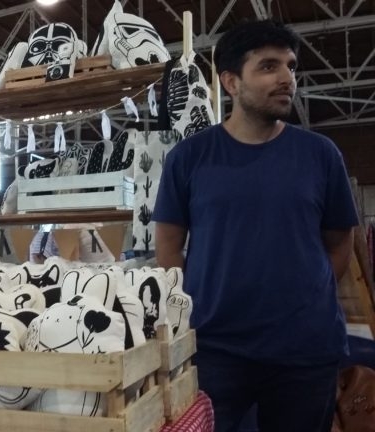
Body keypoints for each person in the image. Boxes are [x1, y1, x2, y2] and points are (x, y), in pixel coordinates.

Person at [153, 20, 358, 432]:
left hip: (305, 350)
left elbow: (340, 243)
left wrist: (305, 297)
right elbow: (169, 246)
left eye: (291, 66)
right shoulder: (189, 158)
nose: (287, 78)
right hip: (215, 347)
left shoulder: (321, 155)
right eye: (268, 66)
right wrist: (192, 309)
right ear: (231, 81)